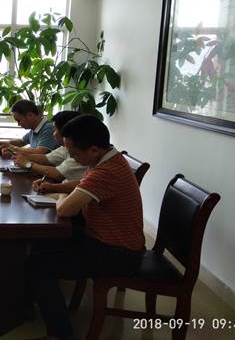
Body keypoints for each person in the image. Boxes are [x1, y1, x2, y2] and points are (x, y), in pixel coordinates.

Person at [24, 114, 145, 340]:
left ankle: (60, 334)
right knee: (41, 242)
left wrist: (60, 192)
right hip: (106, 240)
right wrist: (53, 187)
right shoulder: (108, 159)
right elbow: (83, 184)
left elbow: (64, 210)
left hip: (118, 253)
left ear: (94, 150)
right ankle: (30, 302)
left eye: (74, 153)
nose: (71, 157)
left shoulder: (106, 172)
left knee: (37, 266)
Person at [13, 111, 87, 194]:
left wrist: (28, 164)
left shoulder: (82, 152)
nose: (53, 134)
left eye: (55, 130)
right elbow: (46, 158)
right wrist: (19, 155)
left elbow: (57, 174)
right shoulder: (66, 147)